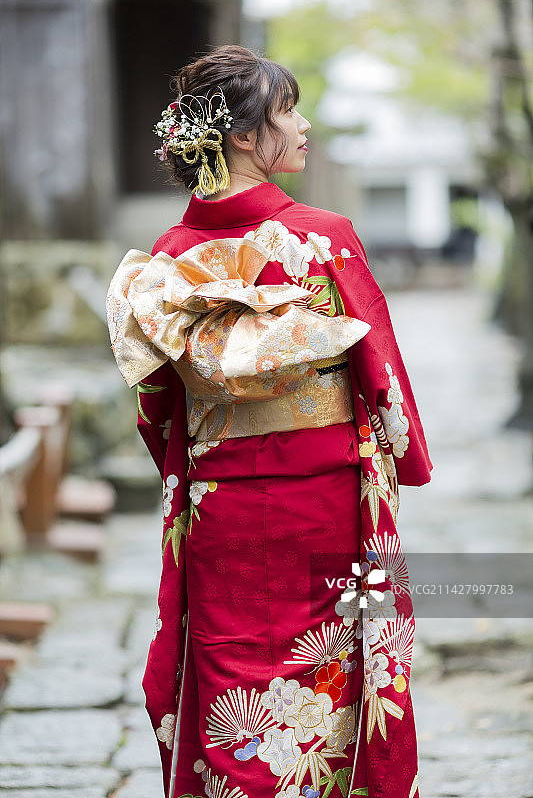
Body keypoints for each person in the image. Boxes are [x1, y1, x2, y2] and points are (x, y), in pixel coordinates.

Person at [106, 44, 432, 798]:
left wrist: (189, 463)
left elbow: (156, 401)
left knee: (231, 664)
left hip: (218, 495)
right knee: (332, 665)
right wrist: (403, 458)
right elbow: (378, 372)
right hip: (322, 495)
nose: (303, 124)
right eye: (288, 110)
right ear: (245, 137)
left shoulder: (167, 258)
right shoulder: (322, 236)